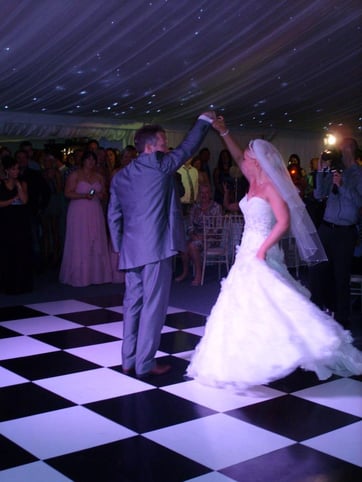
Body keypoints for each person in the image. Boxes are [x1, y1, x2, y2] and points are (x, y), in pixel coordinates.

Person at [186, 117, 362, 391]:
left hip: (261, 248)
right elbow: (234, 153)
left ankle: (290, 347)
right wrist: (224, 131)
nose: (243, 157)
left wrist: (263, 249)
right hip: (245, 248)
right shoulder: (252, 180)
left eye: (247, 155)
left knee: (270, 300)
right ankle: (241, 357)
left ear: (258, 161)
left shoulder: (270, 186)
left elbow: (283, 222)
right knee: (241, 302)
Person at [107, 112, 214, 377]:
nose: (168, 147)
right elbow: (189, 147)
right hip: (155, 248)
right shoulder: (159, 164)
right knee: (153, 307)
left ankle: (128, 359)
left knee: (132, 305)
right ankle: (144, 364)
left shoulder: (120, 176)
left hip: (131, 249)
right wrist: (203, 121)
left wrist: (120, 246)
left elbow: (113, 215)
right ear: (150, 147)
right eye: (164, 142)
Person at [310, 138, 362, 328]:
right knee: (317, 270)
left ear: (353, 150)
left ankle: (342, 319)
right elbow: (318, 194)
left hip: (345, 232)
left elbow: (359, 202)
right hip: (326, 227)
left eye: (344, 147)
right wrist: (322, 170)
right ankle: (316, 310)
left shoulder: (359, 174)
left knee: (341, 276)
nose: (341, 150)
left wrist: (342, 186)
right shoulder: (335, 170)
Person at [59, 150, 112, 287]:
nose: (91, 162)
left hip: (94, 209)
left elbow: (105, 193)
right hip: (79, 210)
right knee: (80, 239)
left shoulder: (99, 176)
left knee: (96, 238)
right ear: (83, 161)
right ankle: (79, 274)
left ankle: (96, 274)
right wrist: (83, 196)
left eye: (93, 160)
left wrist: (101, 195)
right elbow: (67, 193)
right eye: (88, 159)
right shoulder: (75, 175)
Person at [175, 183, 222, 286]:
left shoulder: (216, 207)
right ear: (198, 194)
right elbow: (190, 225)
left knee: (192, 245)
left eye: (206, 193)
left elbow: (218, 228)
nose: (204, 195)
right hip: (196, 237)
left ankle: (198, 274)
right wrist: (192, 234)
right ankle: (185, 272)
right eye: (201, 193)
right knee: (184, 246)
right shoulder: (195, 207)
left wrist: (205, 236)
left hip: (211, 239)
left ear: (210, 194)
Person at [0, 156, 33, 294]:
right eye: (13, 169)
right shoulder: (1, 184)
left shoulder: (22, 183)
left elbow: (25, 200)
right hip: (5, 221)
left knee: (21, 251)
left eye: (17, 169)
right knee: (7, 252)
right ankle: (7, 284)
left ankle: (22, 283)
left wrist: (18, 185)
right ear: (7, 170)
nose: (16, 171)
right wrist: (12, 200)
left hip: (20, 221)